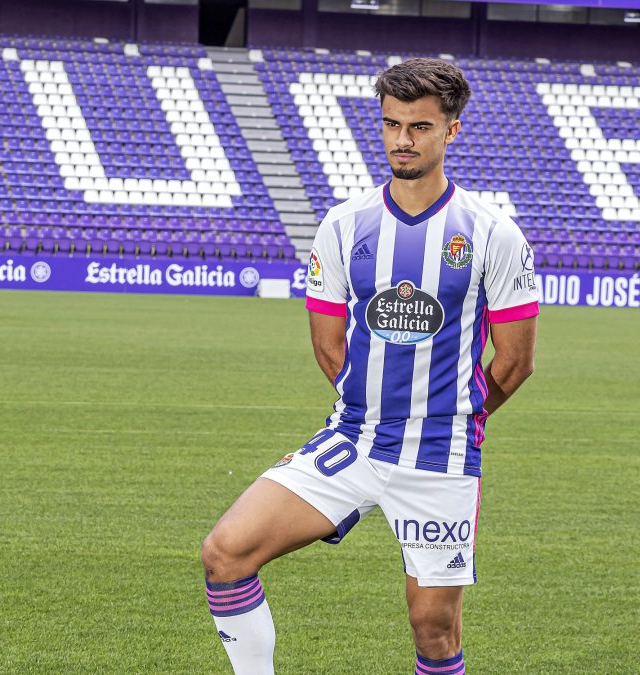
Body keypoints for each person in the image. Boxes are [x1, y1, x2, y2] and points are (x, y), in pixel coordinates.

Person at [200, 58, 540, 674]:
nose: (402, 140)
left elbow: (515, 363)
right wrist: (377, 408)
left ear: (451, 131)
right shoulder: (344, 224)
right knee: (226, 552)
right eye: (391, 125)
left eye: (419, 126)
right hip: (355, 440)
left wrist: (451, 417)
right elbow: (329, 346)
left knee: (433, 627)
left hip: (441, 454)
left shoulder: (494, 234)